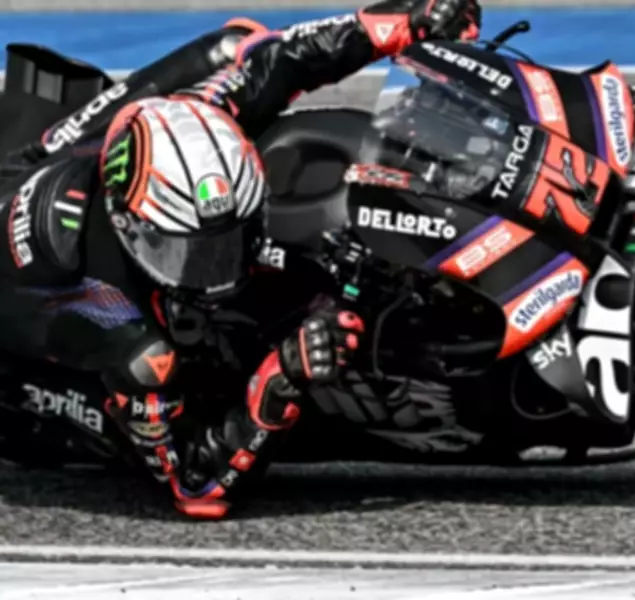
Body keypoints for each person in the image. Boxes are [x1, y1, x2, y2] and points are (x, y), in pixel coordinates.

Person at [0, 0, 482, 519]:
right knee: (170, 373)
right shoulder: (116, 324)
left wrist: (400, 23)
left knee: (231, 45)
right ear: (130, 226)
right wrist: (280, 376)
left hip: (42, 162)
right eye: (191, 254)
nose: (219, 272)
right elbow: (194, 487)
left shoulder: (201, 116)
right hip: (38, 353)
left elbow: (281, 57)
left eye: (229, 243)